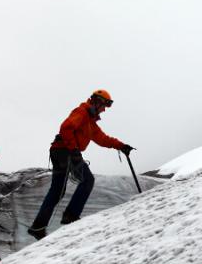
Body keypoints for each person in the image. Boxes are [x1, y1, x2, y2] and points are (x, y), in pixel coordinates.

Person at [27, 89, 133, 240]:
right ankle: (70, 215)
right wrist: (74, 151)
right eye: (103, 106)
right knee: (87, 180)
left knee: (57, 191)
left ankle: (38, 226)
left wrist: (121, 146)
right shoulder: (82, 112)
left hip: (60, 151)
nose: (104, 110)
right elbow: (65, 128)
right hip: (65, 151)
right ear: (97, 102)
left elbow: (103, 139)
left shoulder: (90, 122)